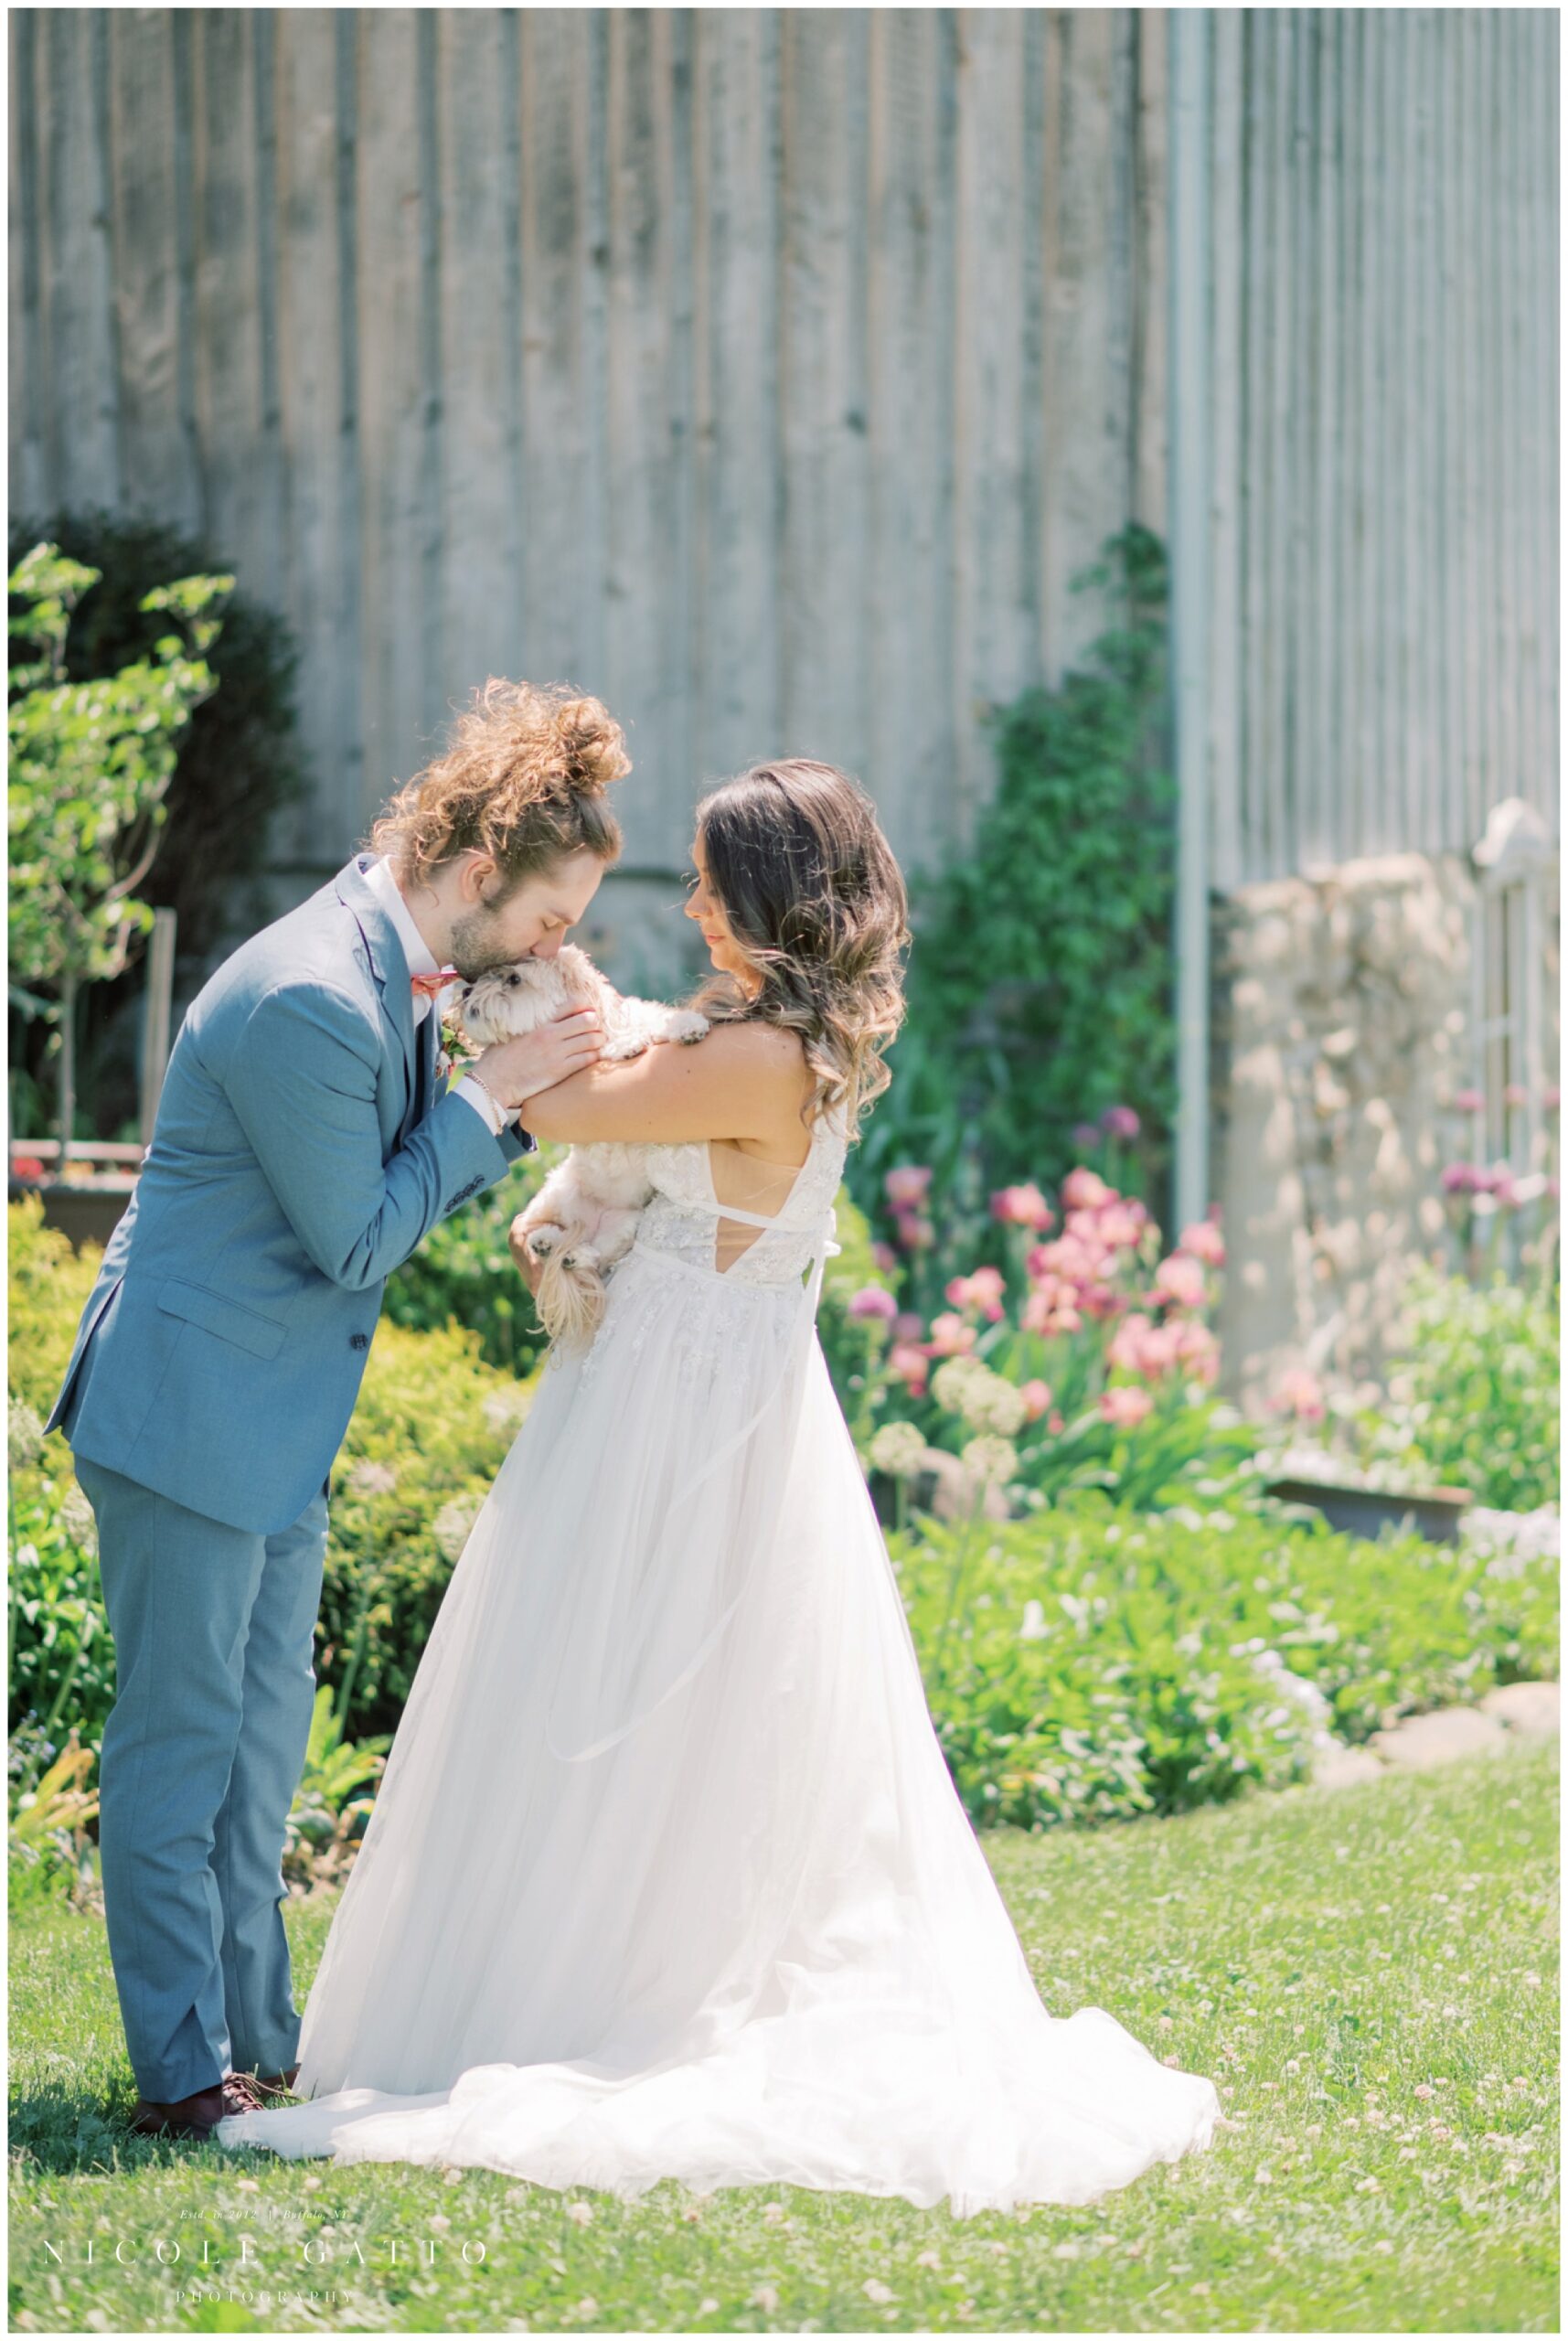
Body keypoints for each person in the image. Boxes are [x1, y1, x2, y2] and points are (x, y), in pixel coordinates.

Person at [212, 757, 1222, 2214]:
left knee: (652, 1714)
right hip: (654, 1406)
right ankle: (565, 1988)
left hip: (690, 1436)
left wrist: (516, 1007)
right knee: (598, 1710)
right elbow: (618, 1100)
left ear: (769, 903)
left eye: (705, 882)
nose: (686, 906)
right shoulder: (747, 1033)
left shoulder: (763, 1059)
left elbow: (570, 1106)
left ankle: (630, 2003)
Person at [44, 679, 629, 2142]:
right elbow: (357, 1239)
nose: (559, 951)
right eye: (553, 921)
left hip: (273, 1429)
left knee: (264, 1755)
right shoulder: (311, 989)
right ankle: (184, 2077)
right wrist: (491, 1104)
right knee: (182, 1749)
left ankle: (263, 2046)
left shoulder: (390, 967)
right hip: (188, 1420)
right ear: (481, 874)